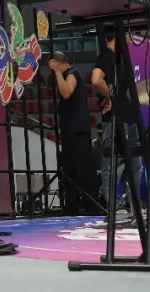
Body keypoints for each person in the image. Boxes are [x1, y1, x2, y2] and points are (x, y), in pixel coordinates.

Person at [90, 33, 142, 215]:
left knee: (134, 164)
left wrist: (111, 95)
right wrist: (111, 96)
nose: (130, 38)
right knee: (113, 162)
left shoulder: (120, 58)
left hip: (129, 116)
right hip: (115, 118)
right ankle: (115, 205)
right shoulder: (107, 55)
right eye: (128, 34)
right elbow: (96, 79)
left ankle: (133, 205)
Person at [49, 51, 100, 215]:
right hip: (69, 129)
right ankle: (72, 205)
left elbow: (66, 92)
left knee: (82, 168)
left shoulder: (72, 73)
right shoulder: (66, 75)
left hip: (77, 129)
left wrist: (57, 72)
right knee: (69, 169)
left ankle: (91, 204)